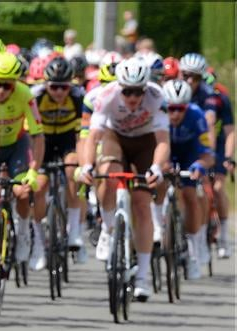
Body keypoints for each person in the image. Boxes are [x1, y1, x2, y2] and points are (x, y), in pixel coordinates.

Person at [78, 57, 170, 302]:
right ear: (119, 88)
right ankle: (108, 227)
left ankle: (142, 275)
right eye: (127, 91)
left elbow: (162, 141)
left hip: (145, 141)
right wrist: (87, 165)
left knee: (141, 203)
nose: (132, 98)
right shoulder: (106, 95)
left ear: (145, 88)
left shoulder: (157, 97)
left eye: (137, 92)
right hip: (115, 137)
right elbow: (92, 137)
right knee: (108, 173)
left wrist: (157, 168)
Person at [0, 52, 46, 272]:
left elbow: (37, 135)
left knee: (21, 191)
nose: (1, 91)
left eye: (7, 86)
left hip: (15, 147)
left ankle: (22, 232)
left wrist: (34, 170)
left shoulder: (25, 94)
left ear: (15, 84)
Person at [31, 56, 87, 262]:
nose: (59, 92)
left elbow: (83, 134)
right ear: (46, 84)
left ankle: (74, 231)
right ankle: (37, 242)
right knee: (38, 186)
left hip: (66, 140)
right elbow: (30, 134)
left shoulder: (79, 97)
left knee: (73, 170)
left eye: (64, 87)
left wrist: (83, 161)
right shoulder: (35, 97)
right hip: (42, 140)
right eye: (54, 87)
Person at [179, 53, 234, 258]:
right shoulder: (174, 92)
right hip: (185, 142)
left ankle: (223, 238)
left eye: (196, 77)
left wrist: (224, 156)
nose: (190, 81)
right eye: (186, 75)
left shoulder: (212, 97)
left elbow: (221, 128)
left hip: (212, 143)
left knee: (217, 188)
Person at [162, 79, 215, 280]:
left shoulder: (196, 116)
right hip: (166, 152)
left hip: (189, 154)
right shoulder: (157, 115)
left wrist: (200, 165)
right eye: (171, 108)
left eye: (180, 108)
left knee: (190, 194)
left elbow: (207, 152)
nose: (175, 114)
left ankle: (193, 251)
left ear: (187, 106)